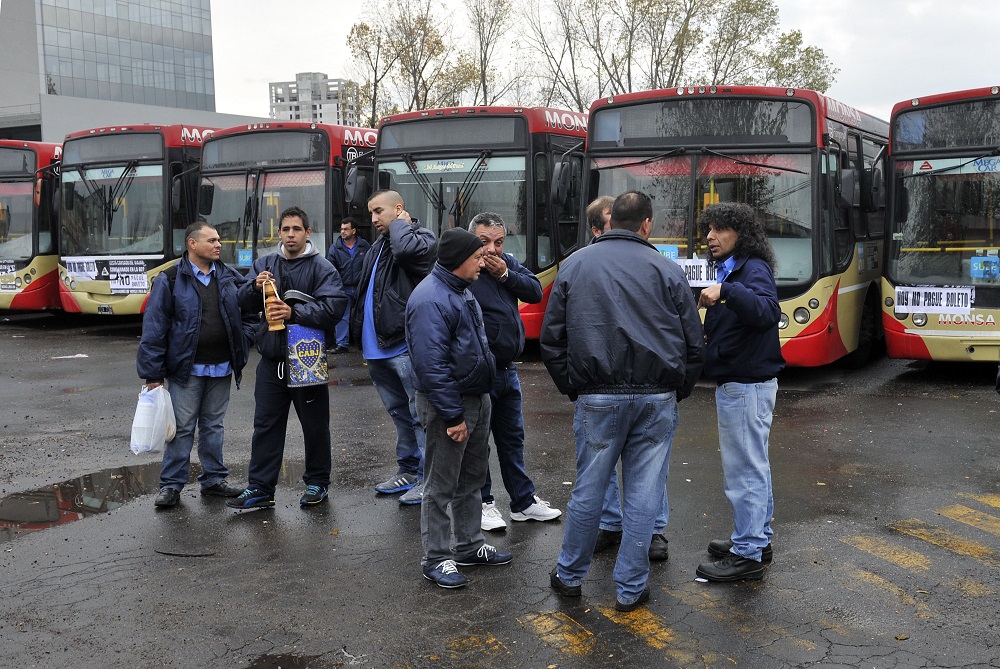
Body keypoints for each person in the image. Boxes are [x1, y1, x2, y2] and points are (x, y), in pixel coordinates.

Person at [541, 190, 704, 612]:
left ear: (610, 222)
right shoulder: (667, 269)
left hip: (597, 394)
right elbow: (693, 342)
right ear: (647, 224)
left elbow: (551, 339)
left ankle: (570, 575)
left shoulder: (575, 265)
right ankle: (631, 588)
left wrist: (574, 388)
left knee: (589, 489)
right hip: (657, 396)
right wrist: (678, 389)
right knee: (645, 492)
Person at [406, 227, 511, 588]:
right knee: (440, 484)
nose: (484, 261)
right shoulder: (430, 299)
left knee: (471, 478)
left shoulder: (459, 290)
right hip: (450, 405)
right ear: (457, 260)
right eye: (477, 256)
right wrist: (452, 416)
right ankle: (436, 557)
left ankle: (468, 546)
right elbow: (431, 365)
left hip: (475, 398)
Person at [227, 206, 347, 510]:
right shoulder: (264, 264)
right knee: (265, 425)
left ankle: (318, 482)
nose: (290, 234)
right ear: (279, 233)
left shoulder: (323, 268)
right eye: (285, 229)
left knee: (315, 426)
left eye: (296, 229)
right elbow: (239, 301)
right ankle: (260, 488)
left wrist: (294, 313)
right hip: (271, 360)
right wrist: (254, 288)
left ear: (308, 233)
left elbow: (334, 309)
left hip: (307, 359)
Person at [695, 202, 784, 582]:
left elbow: (767, 312)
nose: (711, 237)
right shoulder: (737, 269)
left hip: (746, 385)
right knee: (754, 466)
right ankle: (756, 540)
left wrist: (726, 291)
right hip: (744, 382)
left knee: (744, 471)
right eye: (708, 230)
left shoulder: (750, 269)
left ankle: (747, 554)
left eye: (719, 229)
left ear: (741, 233)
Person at [138, 221, 253, 508]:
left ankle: (214, 479)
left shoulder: (228, 276)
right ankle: (171, 485)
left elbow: (249, 311)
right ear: (192, 243)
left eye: (218, 241)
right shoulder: (171, 279)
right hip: (186, 369)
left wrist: (245, 339)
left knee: (214, 426)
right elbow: (155, 328)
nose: (218, 245)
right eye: (212, 240)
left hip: (223, 367)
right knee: (182, 428)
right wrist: (153, 374)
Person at [467, 212, 561, 531]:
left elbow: (534, 290)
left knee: (512, 438)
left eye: (498, 242)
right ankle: (483, 503)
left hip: (508, 369)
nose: (492, 250)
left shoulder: (505, 262)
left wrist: (506, 273)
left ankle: (522, 502)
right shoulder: (466, 266)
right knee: (479, 441)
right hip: (480, 370)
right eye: (484, 242)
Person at [352, 189, 437, 505]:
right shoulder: (377, 246)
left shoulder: (419, 238)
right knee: (400, 414)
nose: (373, 219)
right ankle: (408, 469)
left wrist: (402, 225)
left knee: (420, 416)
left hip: (402, 346)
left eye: (379, 211)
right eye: (371, 212)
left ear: (399, 209)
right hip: (376, 349)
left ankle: (428, 480)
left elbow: (406, 254)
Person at [326, 217, 371, 354]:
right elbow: (331, 269)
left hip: (360, 287)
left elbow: (369, 266)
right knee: (342, 316)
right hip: (343, 288)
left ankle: (366, 344)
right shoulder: (335, 248)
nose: (342, 231)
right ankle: (342, 344)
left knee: (364, 315)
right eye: (341, 229)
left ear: (354, 231)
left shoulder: (365, 246)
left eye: (346, 229)